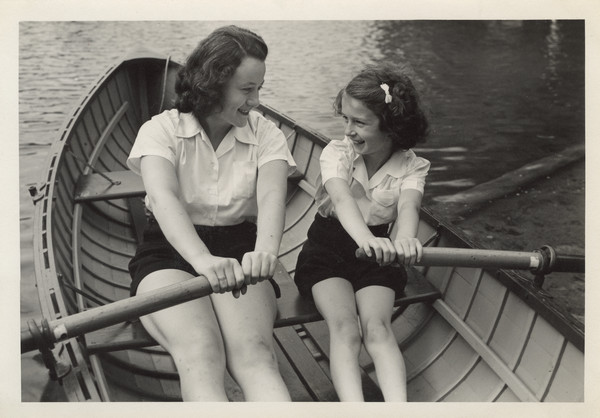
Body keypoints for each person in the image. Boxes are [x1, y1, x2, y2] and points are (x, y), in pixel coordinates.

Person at [126, 25, 295, 401]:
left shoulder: (267, 135)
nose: (256, 101)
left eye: (259, 89)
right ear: (212, 86)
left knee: (255, 356)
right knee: (201, 353)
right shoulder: (161, 131)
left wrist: (266, 251)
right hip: (169, 253)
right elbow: (164, 198)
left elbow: (271, 197)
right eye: (247, 90)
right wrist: (202, 259)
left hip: (240, 253)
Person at [294, 63, 430, 402]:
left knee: (378, 328)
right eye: (346, 120)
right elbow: (341, 199)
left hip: (378, 258)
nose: (349, 130)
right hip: (328, 252)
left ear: (391, 127)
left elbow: (409, 208)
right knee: (345, 329)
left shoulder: (413, 165)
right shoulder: (336, 153)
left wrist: (404, 242)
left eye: (360, 122)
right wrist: (367, 240)